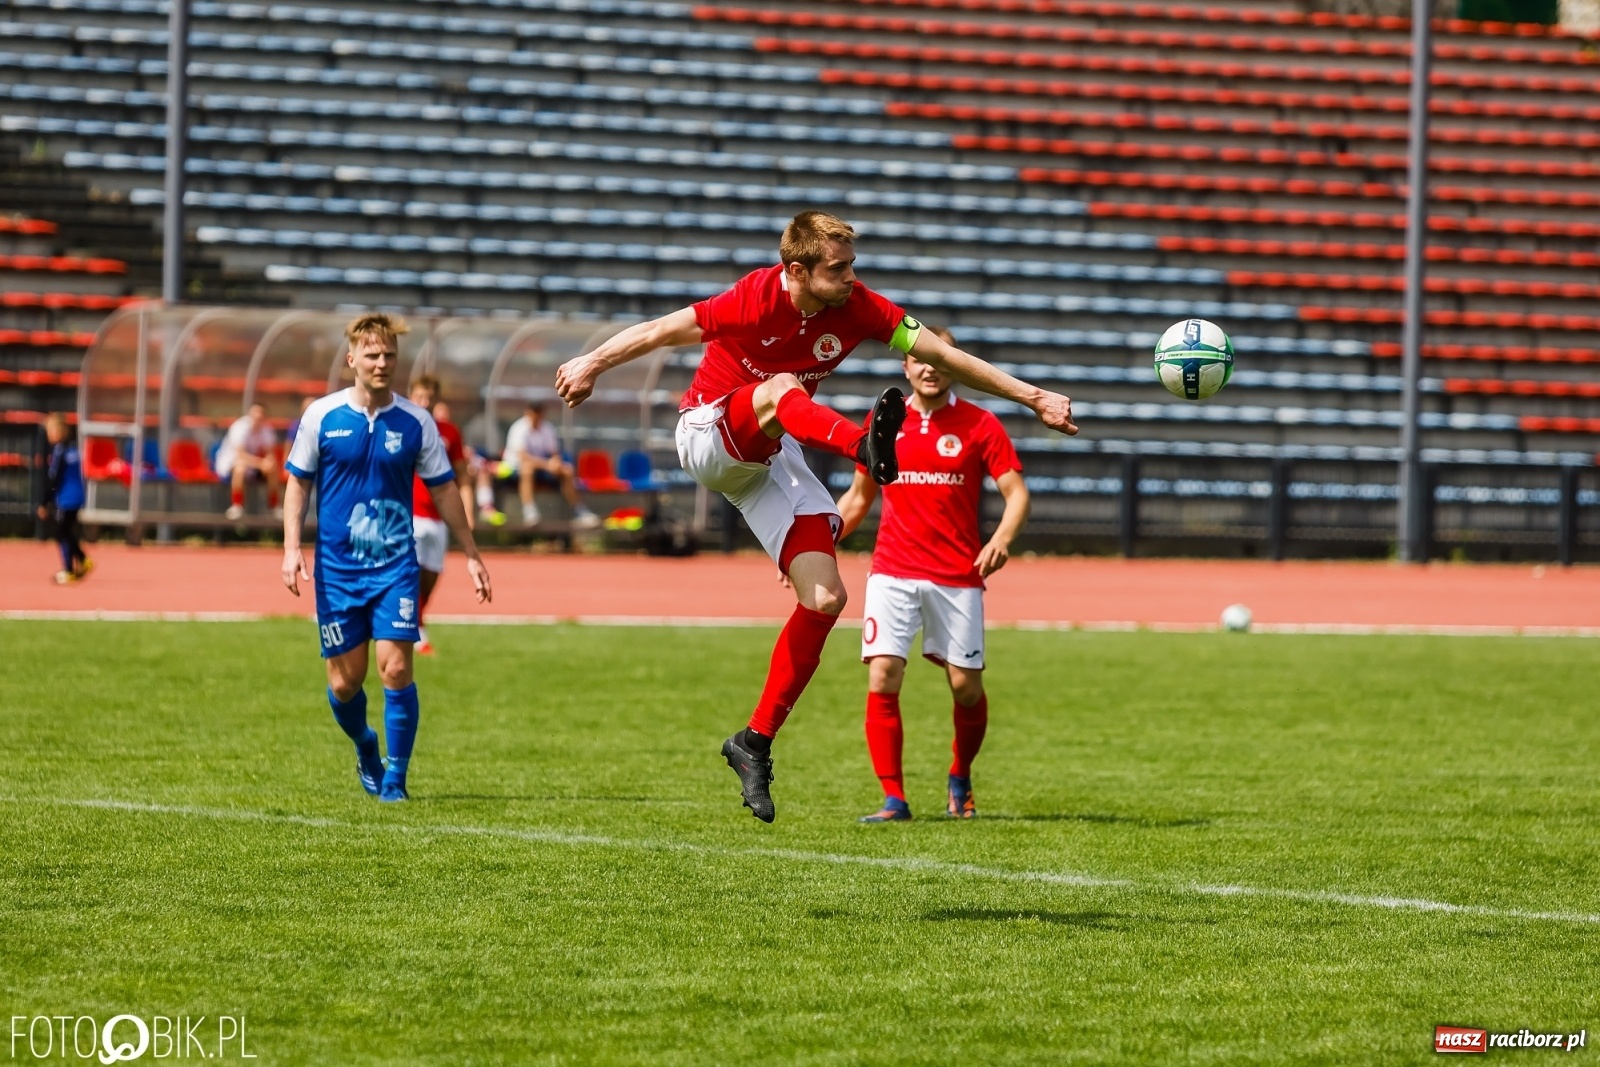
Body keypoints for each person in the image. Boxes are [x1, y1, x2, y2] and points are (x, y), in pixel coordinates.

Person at [555, 210, 1076, 823]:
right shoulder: (755, 297)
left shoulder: (860, 306)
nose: (852, 277)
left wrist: (1034, 396)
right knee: (782, 386)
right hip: (708, 433)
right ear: (798, 271)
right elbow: (661, 330)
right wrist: (591, 362)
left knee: (826, 597)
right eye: (839, 267)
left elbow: (942, 353)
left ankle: (753, 741)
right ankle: (863, 447)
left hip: (771, 455)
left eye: (853, 264)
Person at [282, 313, 492, 803]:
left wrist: (471, 553)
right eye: (372, 354)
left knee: (396, 669)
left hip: (396, 565)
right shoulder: (322, 416)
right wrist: (291, 548)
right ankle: (365, 744)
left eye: (389, 355)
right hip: (337, 571)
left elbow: (445, 490)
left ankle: (396, 778)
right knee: (345, 682)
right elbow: (298, 483)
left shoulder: (417, 422)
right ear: (351, 359)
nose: (382, 363)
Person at [835, 326, 1029, 822]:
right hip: (893, 570)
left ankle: (960, 775)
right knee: (883, 674)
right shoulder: (884, 422)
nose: (929, 367)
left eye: (940, 359)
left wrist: (1002, 539)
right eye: (920, 359)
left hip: (957, 575)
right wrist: (815, 543)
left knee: (966, 687)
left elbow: (1017, 494)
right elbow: (858, 498)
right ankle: (893, 799)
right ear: (905, 367)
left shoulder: (981, 424)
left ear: (954, 366)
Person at [407, 377, 470, 656]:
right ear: (411, 397)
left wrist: (467, 509)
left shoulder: (449, 432)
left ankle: (415, 621)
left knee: (431, 575)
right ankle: (416, 629)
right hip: (409, 513)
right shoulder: (402, 427)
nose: (424, 402)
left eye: (429, 397)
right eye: (419, 396)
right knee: (411, 573)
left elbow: (462, 474)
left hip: (439, 516)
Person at [500, 401, 599, 527]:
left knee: (567, 470)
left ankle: (579, 511)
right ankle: (530, 512)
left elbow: (554, 452)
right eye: (534, 413)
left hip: (542, 466)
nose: (536, 417)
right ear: (528, 413)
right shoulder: (518, 428)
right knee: (527, 470)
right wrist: (548, 465)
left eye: (539, 414)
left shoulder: (547, 428)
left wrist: (556, 463)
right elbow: (523, 457)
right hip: (514, 467)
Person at [37, 413, 91, 585]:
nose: (49, 435)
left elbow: (54, 478)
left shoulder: (59, 451)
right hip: (78, 496)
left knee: (62, 533)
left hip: (66, 498)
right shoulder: (73, 449)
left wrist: (45, 502)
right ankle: (82, 560)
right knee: (67, 531)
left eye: (51, 431)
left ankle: (70, 569)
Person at [217, 401, 280, 520]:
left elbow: (270, 453)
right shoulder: (239, 427)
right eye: (255, 413)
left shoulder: (267, 429)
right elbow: (240, 455)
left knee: (273, 468)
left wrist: (269, 462)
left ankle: (274, 506)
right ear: (249, 414)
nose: (258, 416)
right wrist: (261, 464)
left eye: (261, 413)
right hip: (230, 462)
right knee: (240, 468)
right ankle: (237, 506)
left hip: (253, 465)